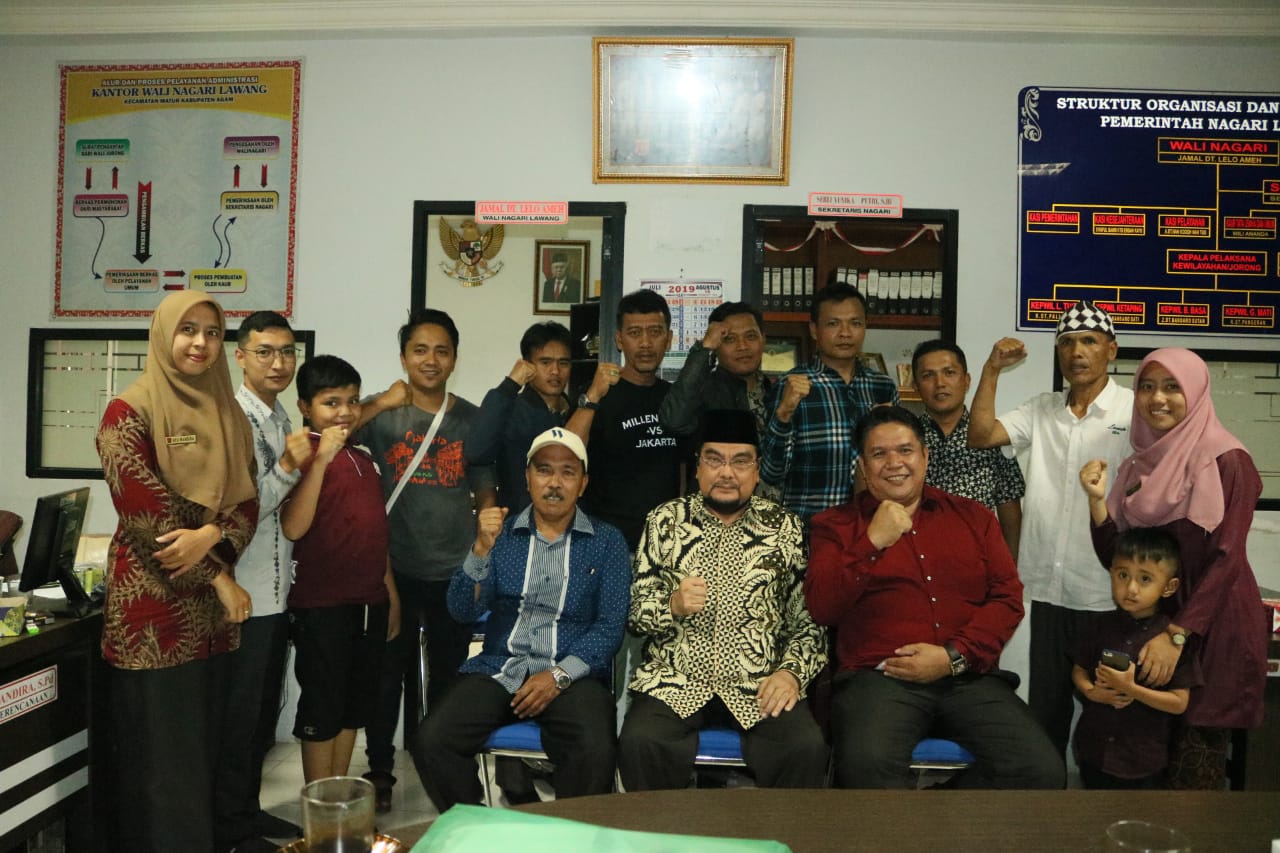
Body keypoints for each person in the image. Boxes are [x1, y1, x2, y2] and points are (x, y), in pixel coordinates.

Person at [806, 406, 1063, 790]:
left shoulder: (974, 517)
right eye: (879, 454)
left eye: (905, 450)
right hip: (879, 680)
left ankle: (938, 818)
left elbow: (1007, 598)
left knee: (1041, 771)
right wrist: (872, 542)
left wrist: (953, 656)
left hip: (967, 676)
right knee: (866, 767)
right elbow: (822, 608)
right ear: (862, 466)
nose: (894, 463)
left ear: (925, 456)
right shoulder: (835, 525)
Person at [96, 291, 256, 851]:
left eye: (212, 332)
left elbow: (247, 501)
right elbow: (149, 520)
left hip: (214, 626)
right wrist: (219, 577)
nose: (200, 343)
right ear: (164, 334)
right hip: (154, 618)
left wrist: (211, 536)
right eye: (187, 330)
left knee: (204, 761)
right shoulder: (126, 413)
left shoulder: (229, 413)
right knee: (162, 770)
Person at [410, 427, 630, 811]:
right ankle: (474, 830)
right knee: (432, 740)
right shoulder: (502, 535)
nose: (554, 483)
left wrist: (557, 676)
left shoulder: (607, 541)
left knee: (594, 747)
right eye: (544, 470)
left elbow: (610, 626)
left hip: (572, 676)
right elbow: (462, 610)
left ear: (583, 484)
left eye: (567, 472)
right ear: (527, 478)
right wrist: (480, 550)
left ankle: (573, 834)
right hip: (500, 667)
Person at [1079, 347, 1268, 789]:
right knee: (1145, 756)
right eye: (1147, 386)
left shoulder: (1228, 460)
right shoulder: (1139, 466)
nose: (1157, 398)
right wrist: (1097, 502)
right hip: (1157, 628)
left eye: (1171, 387)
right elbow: (1121, 558)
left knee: (1194, 764)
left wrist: (1177, 634)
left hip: (1213, 625)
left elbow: (1226, 558)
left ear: (1196, 393)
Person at [619, 410, 829, 791]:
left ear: (757, 470)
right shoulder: (665, 521)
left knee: (805, 747)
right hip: (675, 679)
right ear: (698, 467)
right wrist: (672, 606)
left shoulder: (785, 528)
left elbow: (809, 624)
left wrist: (790, 674)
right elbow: (635, 614)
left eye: (740, 461)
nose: (727, 473)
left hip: (759, 683)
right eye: (714, 460)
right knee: (640, 742)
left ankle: (779, 832)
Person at [966, 300, 1134, 758]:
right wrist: (991, 369)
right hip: (1045, 591)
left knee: (1108, 720)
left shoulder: (1133, 411)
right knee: (1045, 715)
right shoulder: (1042, 409)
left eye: (1089, 341)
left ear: (1111, 350)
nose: (1076, 352)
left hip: (1105, 591)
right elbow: (980, 435)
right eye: (1067, 343)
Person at [354, 308, 496, 809]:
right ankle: (379, 769)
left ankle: (440, 764)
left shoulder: (472, 418)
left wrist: (484, 539)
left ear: (455, 358)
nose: (430, 360)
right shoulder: (382, 413)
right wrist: (380, 402)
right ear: (403, 357)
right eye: (420, 350)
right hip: (391, 568)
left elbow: (484, 483)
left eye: (441, 351)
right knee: (385, 674)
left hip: (452, 569)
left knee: (449, 675)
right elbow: (333, 431)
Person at [282, 355, 401, 783]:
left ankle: (338, 795)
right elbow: (293, 526)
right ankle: (319, 801)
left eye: (352, 401)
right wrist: (320, 462)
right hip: (322, 606)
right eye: (331, 403)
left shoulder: (362, 457)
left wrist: (390, 594)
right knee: (323, 707)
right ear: (305, 407)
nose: (345, 412)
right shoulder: (304, 454)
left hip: (369, 602)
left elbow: (375, 535)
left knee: (354, 707)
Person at [216, 311, 310, 850]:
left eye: (287, 352)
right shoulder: (234, 420)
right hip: (242, 594)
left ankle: (247, 811)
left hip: (276, 594)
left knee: (261, 714)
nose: (279, 363)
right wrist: (290, 467)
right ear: (241, 357)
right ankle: (230, 826)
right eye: (265, 351)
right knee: (237, 718)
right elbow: (244, 510)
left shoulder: (279, 417)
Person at [1070, 527, 1202, 790]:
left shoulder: (1170, 641)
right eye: (1122, 575)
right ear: (1111, 574)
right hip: (1093, 751)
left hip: (1143, 761)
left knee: (1138, 816)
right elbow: (1079, 670)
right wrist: (1092, 692)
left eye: (1145, 579)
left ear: (1169, 587)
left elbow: (1179, 703)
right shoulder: (1099, 626)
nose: (1131, 588)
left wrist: (1131, 689)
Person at [760, 282, 899, 522]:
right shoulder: (792, 385)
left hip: (872, 527)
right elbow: (771, 473)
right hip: (810, 529)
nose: (845, 333)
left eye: (855, 323)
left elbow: (895, 464)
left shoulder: (883, 387)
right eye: (833, 324)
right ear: (814, 330)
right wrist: (784, 413)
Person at [571, 288, 683, 550]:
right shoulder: (597, 394)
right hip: (606, 546)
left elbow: (687, 469)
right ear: (619, 340)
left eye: (655, 332)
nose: (645, 343)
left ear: (668, 339)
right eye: (634, 333)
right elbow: (566, 451)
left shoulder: (676, 398)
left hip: (664, 546)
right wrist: (593, 396)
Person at [911, 340, 1025, 557]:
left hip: (977, 559)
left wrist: (1010, 566)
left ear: (966, 381)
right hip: (915, 558)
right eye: (928, 376)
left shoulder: (992, 437)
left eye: (949, 373)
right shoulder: (906, 440)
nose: (940, 383)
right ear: (915, 386)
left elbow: (1009, 511)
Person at [467, 321, 575, 511]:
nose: (555, 371)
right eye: (545, 362)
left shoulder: (578, 412)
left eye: (563, 363)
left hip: (572, 522)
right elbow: (475, 453)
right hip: (518, 521)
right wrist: (511, 383)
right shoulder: (509, 407)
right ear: (527, 365)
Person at [658, 301, 773, 440]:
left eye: (751, 336)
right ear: (716, 345)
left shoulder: (777, 391)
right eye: (730, 339)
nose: (743, 346)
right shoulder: (704, 393)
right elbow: (673, 421)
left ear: (763, 339)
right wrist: (704, 349)